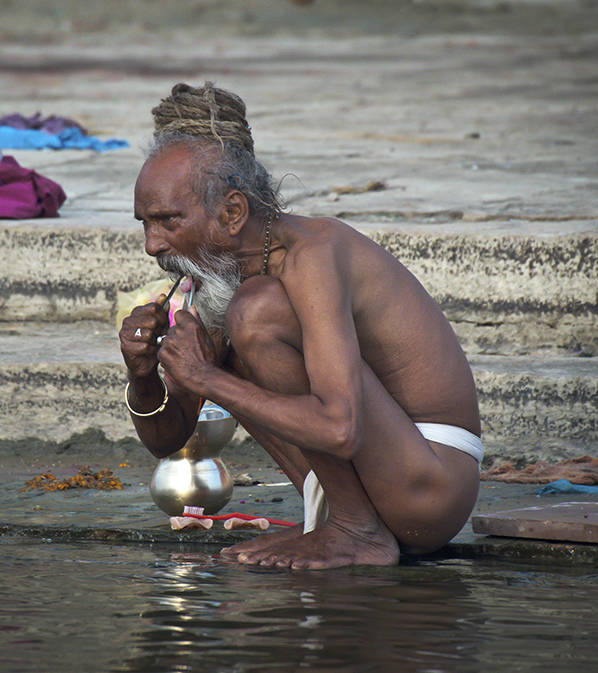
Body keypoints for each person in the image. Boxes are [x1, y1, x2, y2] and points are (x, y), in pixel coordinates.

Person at [119, 82, 481, 569]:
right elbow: (167, 442)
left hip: (429, 489)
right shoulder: (213, 276)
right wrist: (142, 377)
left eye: (167, 221)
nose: (152, 244)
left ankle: (357, 532)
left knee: (255, 311)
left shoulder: (313, 254)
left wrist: (207, 378)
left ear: (231, 212)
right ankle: (345, 525)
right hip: (374, 483)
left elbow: (340, 429)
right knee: (239, 319)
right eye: (145, 223)